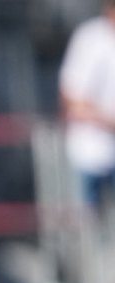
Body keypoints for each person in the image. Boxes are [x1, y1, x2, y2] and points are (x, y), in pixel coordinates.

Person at [59, 0, 115, 209]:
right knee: (88, 227)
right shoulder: (90, 38)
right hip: (90, 152)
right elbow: (71, 98)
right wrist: (107, 121)